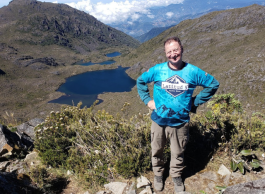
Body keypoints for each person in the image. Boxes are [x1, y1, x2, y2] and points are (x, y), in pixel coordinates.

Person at [137, 36, 219, 193]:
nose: (173, 54)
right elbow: (141, 81)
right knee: (157, 151)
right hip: (158, 121)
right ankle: (159, 175)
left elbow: (213, 84)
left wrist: (195, 102)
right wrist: (148, 100)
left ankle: (176, 177)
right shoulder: (157, 70)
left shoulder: (193, 72)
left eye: (175, 50)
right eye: (169, 51)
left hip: (180, 123)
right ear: (165, 53)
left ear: (182, 50)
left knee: (178, 152)